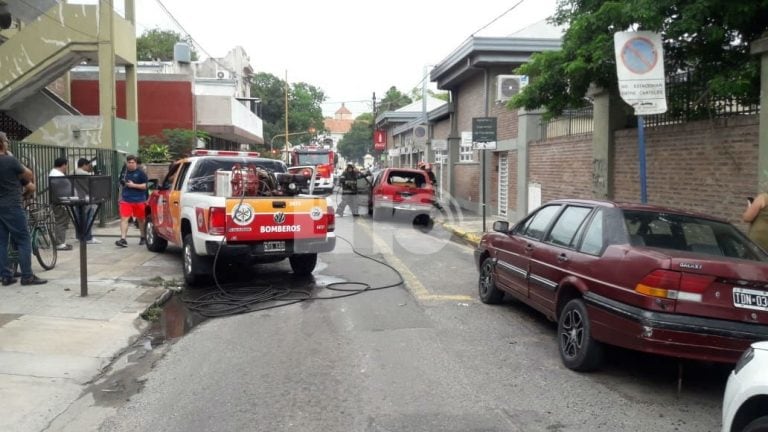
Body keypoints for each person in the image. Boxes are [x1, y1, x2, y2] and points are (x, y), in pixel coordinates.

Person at [0, 132, 46, 286]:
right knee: (23, 239)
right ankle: (27, 276)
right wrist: (14, 159)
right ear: (2, 143)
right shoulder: (9, 160)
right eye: (6, 141)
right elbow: (29, 174)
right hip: (12, 204)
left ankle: (6, 276)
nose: (8, 143)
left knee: (1, 242)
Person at [115, 155, 148, 247]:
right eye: (129, 162)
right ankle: (123, 239)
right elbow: (120, 182)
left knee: (141, 220)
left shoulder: (141, 173)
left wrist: (133, 185)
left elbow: (145, 186)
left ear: (136, 163)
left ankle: (143, 237)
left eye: (132, 162)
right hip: (126, 199)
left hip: (139, 200)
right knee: (124, 219)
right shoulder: (124, 172)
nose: (130, 164)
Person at [49, 157, 72, 251]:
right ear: (63, 165)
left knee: (63, 221)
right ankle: (59, 243)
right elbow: (61, 190)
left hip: (61, 201)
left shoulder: (56, 173)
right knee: (61, 221)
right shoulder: (56, 175)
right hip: (60, 202)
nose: (66, 167)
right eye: (66, 165)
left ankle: (61, 241)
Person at [75, 158, 100, 244]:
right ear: (84, 165)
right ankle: (88, 237)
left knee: (78, 218)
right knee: (88, 218)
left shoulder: (72, 172)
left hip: (76, 198)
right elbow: (93, 186)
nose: (89, 168)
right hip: (86, 199)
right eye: (88, 166)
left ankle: (79, 236)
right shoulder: (86, 174)